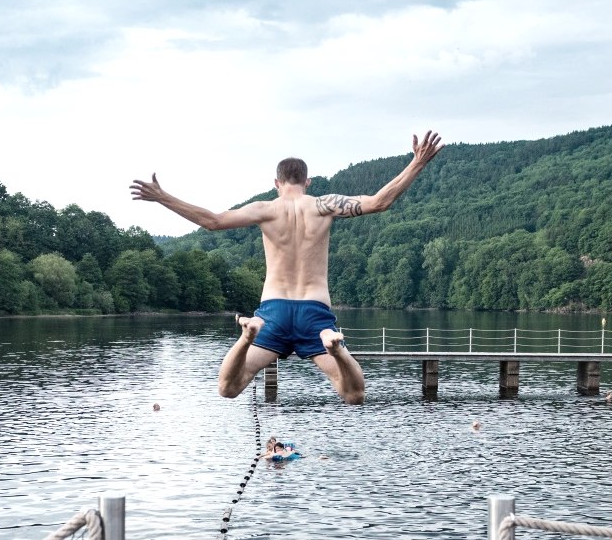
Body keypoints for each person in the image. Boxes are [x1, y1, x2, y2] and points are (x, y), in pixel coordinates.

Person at [132, 132, 444, 404]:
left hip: (273, 312)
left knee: (228, 389)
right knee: (353, 395)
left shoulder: (265, 209)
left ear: (277, 183)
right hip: (315, 312)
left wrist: (162, 197)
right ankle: (335, 348)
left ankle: (246, 335)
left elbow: (211, 222)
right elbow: (379, 202)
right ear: (307, 182)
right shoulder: (324, 205)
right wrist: (417, 162)